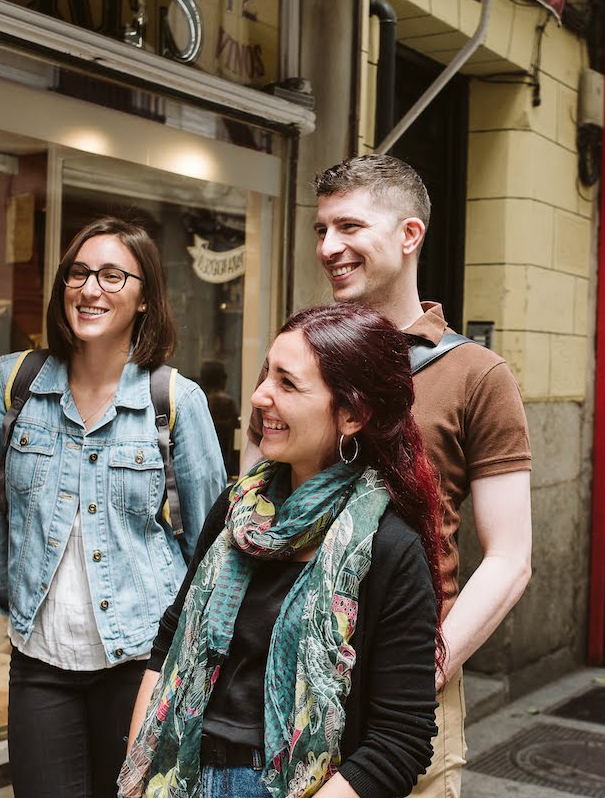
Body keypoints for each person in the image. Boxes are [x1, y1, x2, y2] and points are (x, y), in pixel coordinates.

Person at [242, 155, 532, 798]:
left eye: (349, 226)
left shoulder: (476, 374)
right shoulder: (302, 353)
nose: (328, 247)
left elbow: (511, 557)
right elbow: (262, 501)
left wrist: (425, 667)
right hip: (285, 667)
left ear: (409, 234)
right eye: (321, 230)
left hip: (403, 679)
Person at [121, 302, 443, 798]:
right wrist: (138, 773)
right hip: (179, 775)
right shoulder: (237, 508)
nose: (259, 395)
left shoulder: (389, 547)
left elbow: (399, 741)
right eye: (266, 374)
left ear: (353, 414)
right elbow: (168, 642)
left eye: (287, 384)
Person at [0, 217, 227, 798]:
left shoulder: (174, 401)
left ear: (144, 299)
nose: (90, 289)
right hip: (39, 659)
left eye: (113, 276)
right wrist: (13, 600)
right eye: (79, 273)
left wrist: (186, 662)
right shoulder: (11, 385)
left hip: (139, 660)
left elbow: (210, 552)